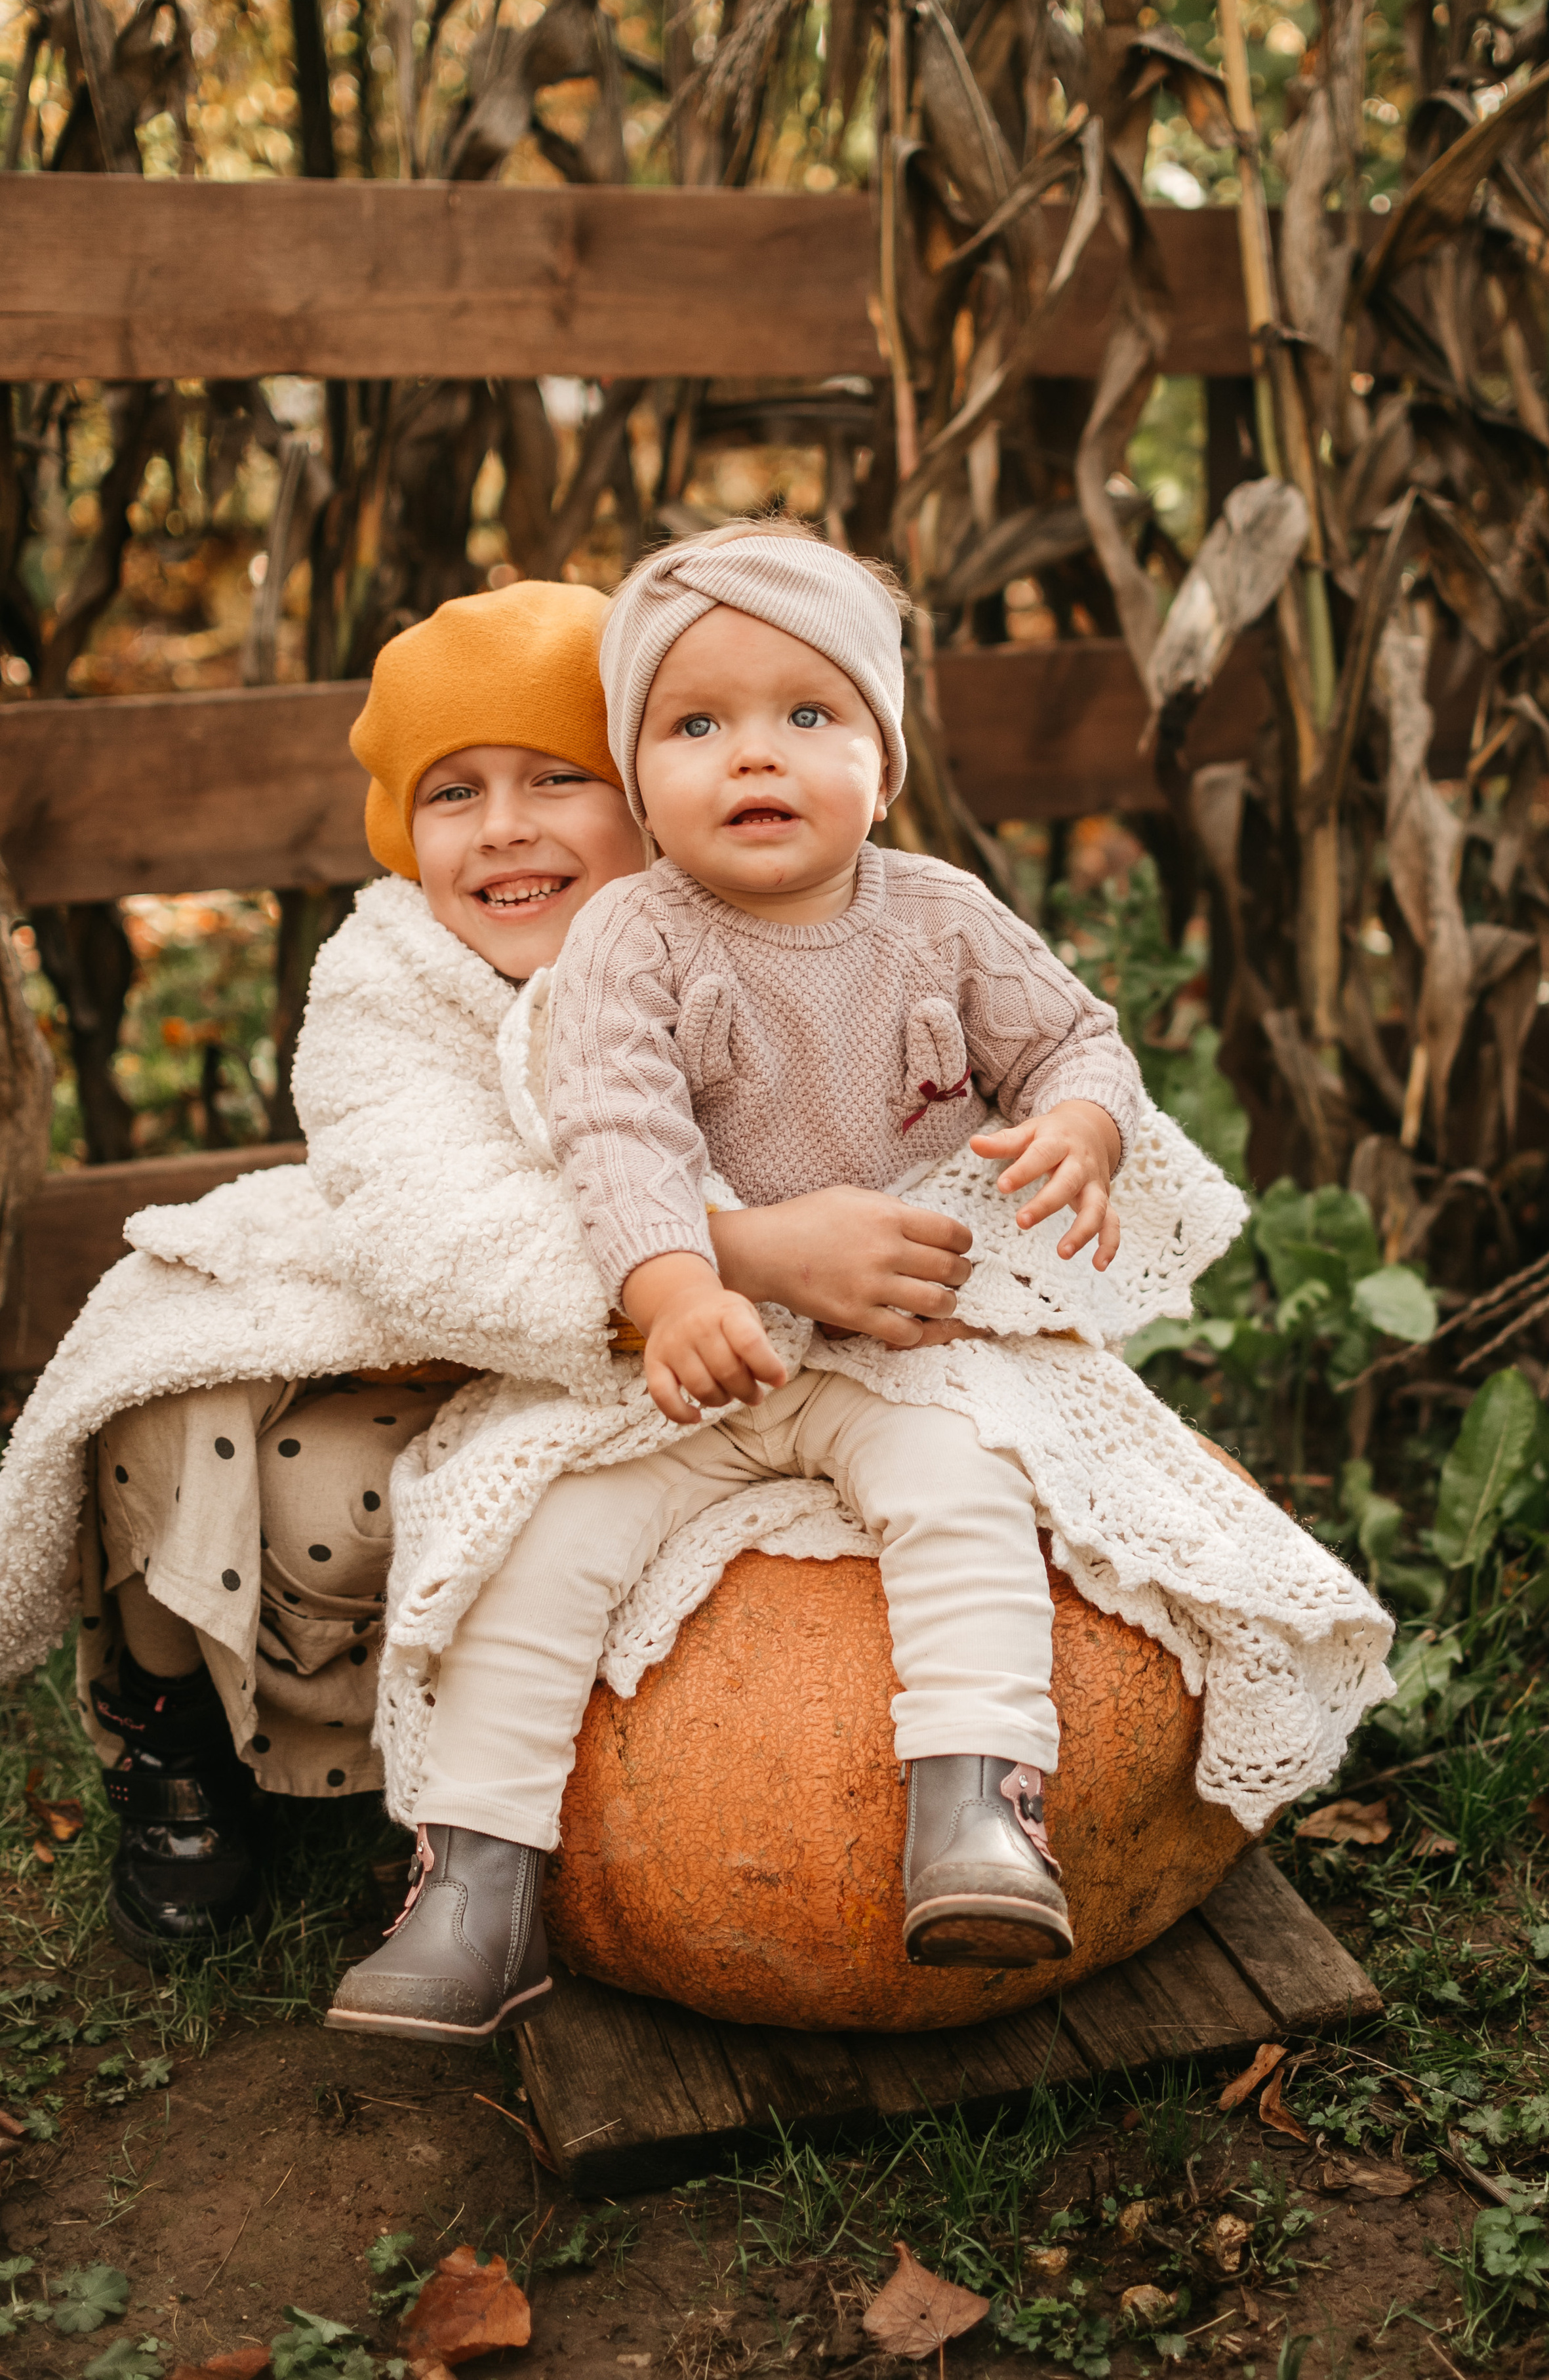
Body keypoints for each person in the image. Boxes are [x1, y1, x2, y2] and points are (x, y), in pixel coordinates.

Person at [325, 529, 1396, 2050]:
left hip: (895, 1350)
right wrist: (675, 1283)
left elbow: (1074, 1038)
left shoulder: (941, 915)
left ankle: (978, 1807)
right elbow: (612, 1129)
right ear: (640, 783)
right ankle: (476, 1882)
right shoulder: (629, 936)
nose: (751, 756)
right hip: (696, 1356)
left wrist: (1082, 1123)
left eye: (804, 717)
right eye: (695, 727)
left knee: (961, 1491)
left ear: (880, 765)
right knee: (536, 1544)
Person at [0, 579, 979, 1964]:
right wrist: (743, 1251)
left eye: (556, 778)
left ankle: (635, 1765)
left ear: (648, 787)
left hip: (726, 1385)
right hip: (486, 1343)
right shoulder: (387, 977)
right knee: (177, 1410)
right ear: (404, 832)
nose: (505, 828)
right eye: (452, 793)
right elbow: (438, 1237)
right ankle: (172, 1742)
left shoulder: (765, 917)